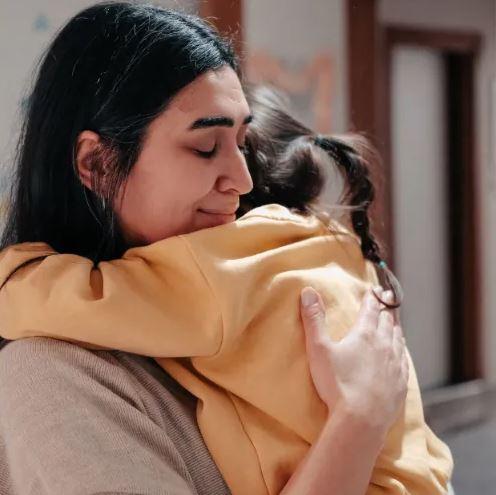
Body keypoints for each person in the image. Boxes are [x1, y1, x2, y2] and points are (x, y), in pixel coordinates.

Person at [0, 3, 451, 494]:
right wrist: (358, 417)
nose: (242, 179)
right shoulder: (52, 374)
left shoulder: (215, 272)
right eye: (205, 148)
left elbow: (54, 297)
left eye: (241, 142)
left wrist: (17, 272)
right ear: (97, 163)